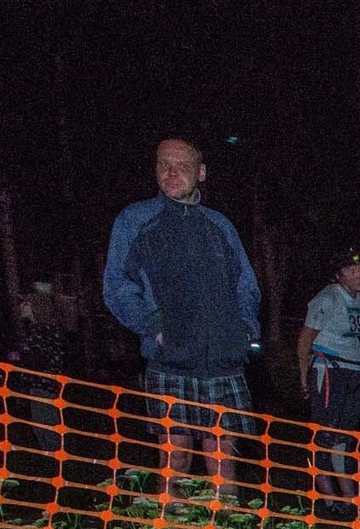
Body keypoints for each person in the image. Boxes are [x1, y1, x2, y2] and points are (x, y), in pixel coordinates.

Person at [103, 137, 261, 495]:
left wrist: (245, 333)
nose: (171, 173)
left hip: (224, 359)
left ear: (201, 172)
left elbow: (246, 286)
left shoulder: (219, 224)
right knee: (176, 459)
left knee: (223, 457)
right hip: (171, 360)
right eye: (164, 165)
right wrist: (157, 328)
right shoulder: (136, 220)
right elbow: (118, 287)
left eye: (182, 166)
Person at [297, 251, 360, 513]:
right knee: (324, 434)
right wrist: (304, 372)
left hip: (354, 370)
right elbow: (305, 338)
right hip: (330, 369)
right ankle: (327, 500)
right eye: (351, 270)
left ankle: (350, 501)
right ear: (339, 275)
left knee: (344, 437)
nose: (358, 274)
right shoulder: (327, 297)